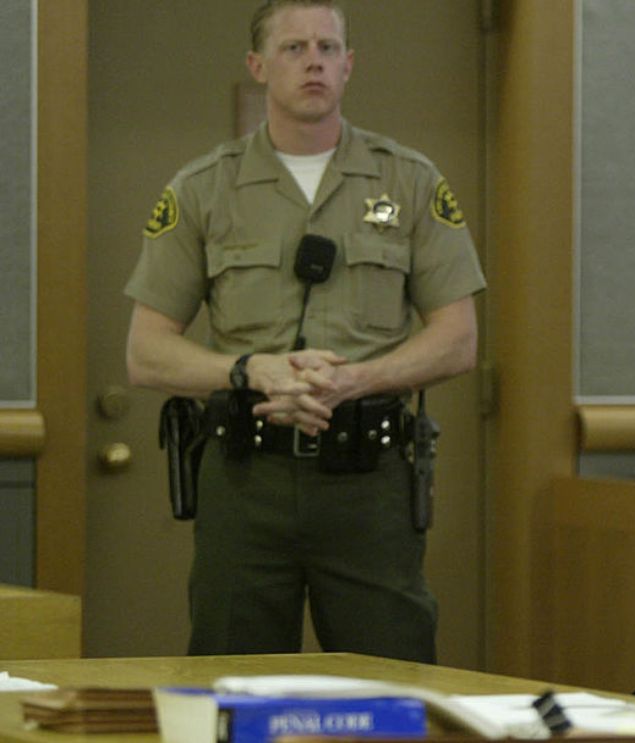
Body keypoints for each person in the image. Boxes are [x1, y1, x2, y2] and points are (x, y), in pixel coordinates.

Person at [123, 0, 485, 662]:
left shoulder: (408, 180)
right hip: (244, 476)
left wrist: (359, 378)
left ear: (350, 65)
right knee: (231, 679)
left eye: (327, 47)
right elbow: (146, 352)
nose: (312, 60)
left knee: (393, 683)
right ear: (258, 66)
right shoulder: (206, 188)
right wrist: (248, 370)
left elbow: (457, 338)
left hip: (368, 476)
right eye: (293, 48)